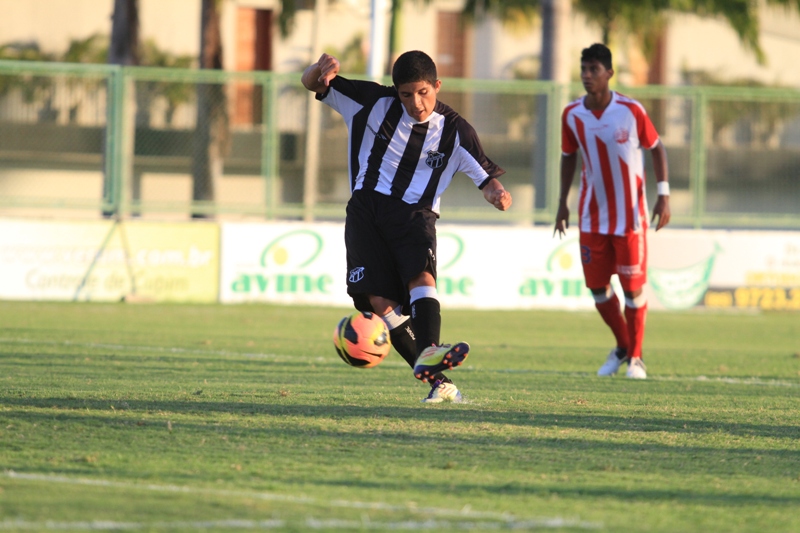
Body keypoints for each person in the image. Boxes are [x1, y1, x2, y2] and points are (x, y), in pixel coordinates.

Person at [302, 50, 512, 402]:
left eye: (423, 92)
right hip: (366, 209)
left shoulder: (456, 131)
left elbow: (486, 177)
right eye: (406, 94)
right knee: (378, 300)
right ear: (395, 91)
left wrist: (497, 193)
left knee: (420, 277)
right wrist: (317, 71)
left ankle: (430, 349)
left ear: (437, 86)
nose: (415, 103)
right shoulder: (370, 102)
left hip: (416, 214)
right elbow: (312, 85)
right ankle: (439, 383)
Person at [554, 43, 670, 379]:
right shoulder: (572, 114)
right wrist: (563, 202)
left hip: (631, 218)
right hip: (592, 217)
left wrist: (663, 194)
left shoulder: (631, 110)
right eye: (583, 70)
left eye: (594, 70)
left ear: (609, 74)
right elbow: (568, 156)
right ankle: (623, 345)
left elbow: (657, 148)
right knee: (598, 289)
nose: (587, 76)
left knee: (633, 290)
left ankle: (636, 357)